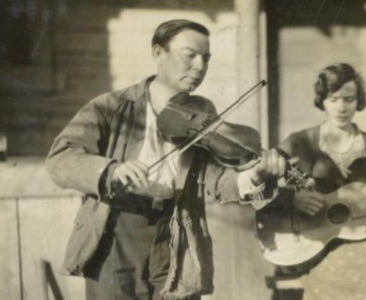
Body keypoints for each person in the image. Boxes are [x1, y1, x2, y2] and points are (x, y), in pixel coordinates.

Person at [46, 19, 285, 299]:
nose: (200, 67)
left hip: (176, 231)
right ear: (159, 54)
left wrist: (252, 178)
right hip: (118, 232)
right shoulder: (110, 107)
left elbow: (216, 179)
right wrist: (111, 170)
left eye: (206, 59)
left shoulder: (202, 113)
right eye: (190, 55)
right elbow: (60, 159)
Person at [264, 63, 366, 299]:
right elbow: (256, 186)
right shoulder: (299, 143)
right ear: (322, 100)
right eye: (333, 99)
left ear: (359, 101)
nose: (341, 107)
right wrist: (292, 197)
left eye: (349, 99)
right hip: (309, 251)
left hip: (361, 248)